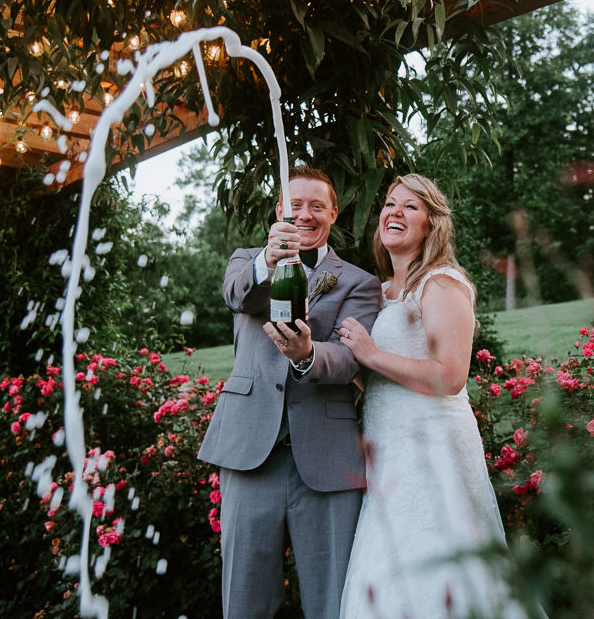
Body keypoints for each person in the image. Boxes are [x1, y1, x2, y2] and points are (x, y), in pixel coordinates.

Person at [337, 174, 527, 619]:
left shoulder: (440, 283)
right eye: (389, 203)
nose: (394, 212)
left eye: (410, 207)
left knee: (437, 564)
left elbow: (450, 375)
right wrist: (345, 367)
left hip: (433, 447)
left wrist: (370, 352)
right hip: (387, 450)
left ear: (431, 225)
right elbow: (383, 380)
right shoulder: (380, 292)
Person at [198, 167, 382, 619]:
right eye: (295, 204)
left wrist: (307, 355)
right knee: (244, 599)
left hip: (326, 459)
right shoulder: (246, 261)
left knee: (333, 598)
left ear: (333, 213)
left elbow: (350, 358)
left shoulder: (358, 282)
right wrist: (268, 259)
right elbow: (238, 298)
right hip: (249, 452)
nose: (306, 214)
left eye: (317, 206)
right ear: (280, 210)